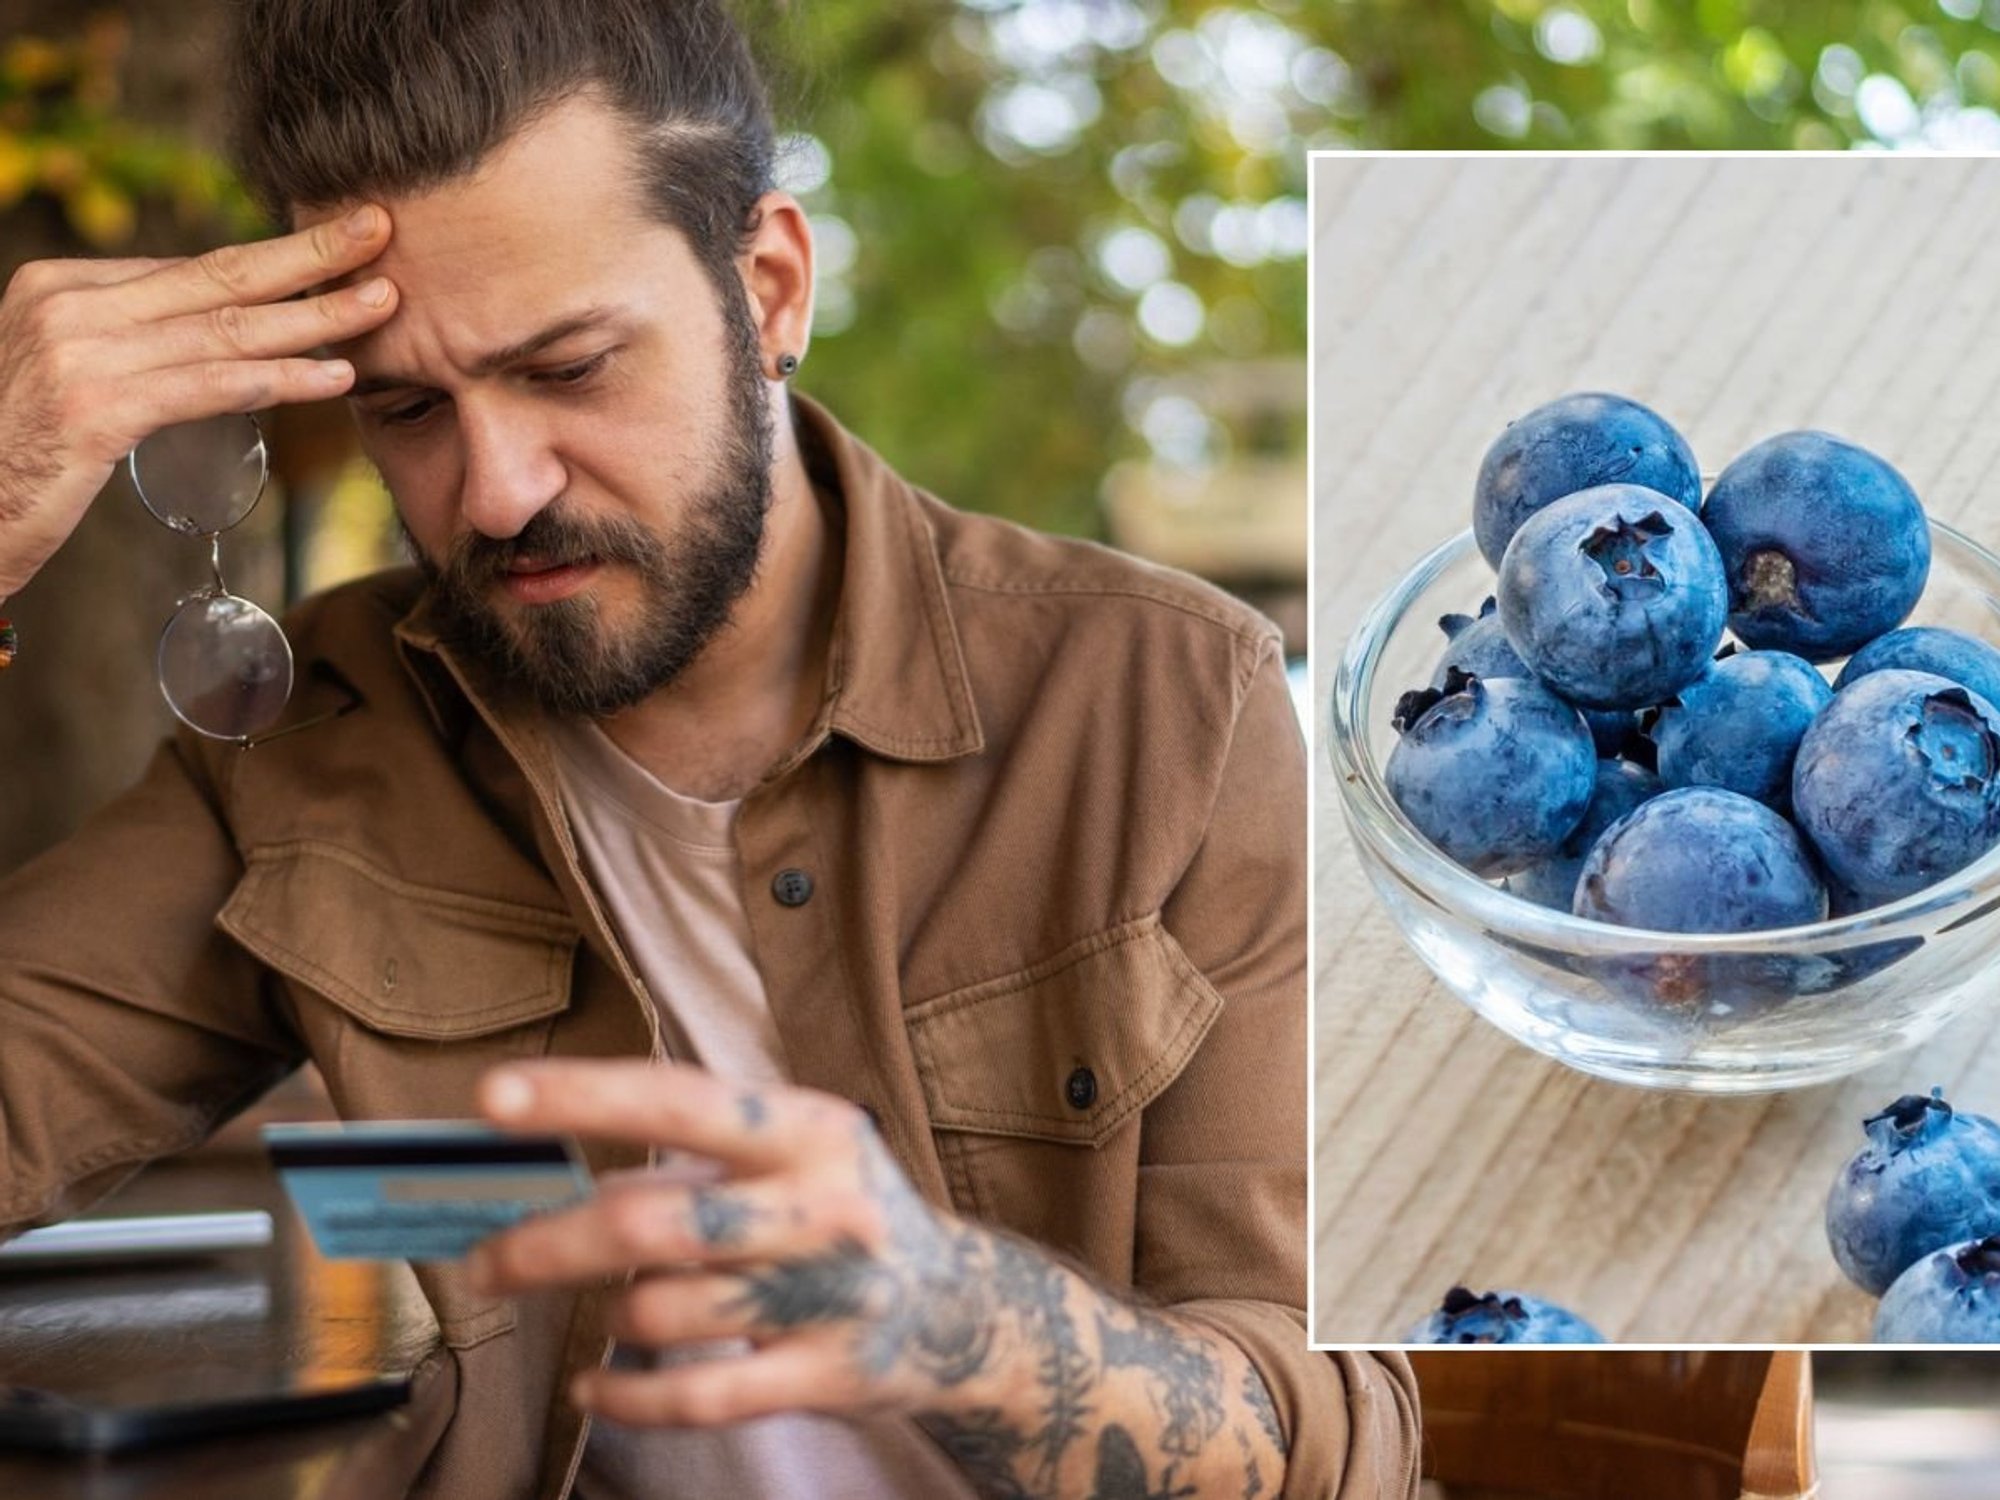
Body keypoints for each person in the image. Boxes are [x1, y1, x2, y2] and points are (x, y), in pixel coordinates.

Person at [0, 2, 1416, 1497]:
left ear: (769, 290)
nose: (494, 491)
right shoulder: (318, 735)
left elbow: (1339, 1441)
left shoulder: (1165, 703)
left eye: (569, 369)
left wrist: (953, 1315)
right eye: (409, 407)